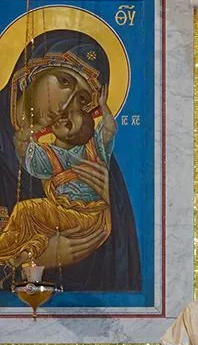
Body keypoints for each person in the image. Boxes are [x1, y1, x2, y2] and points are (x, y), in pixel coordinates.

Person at [0, 29, 139, 291]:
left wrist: (109, 198)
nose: (66, 105)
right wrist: (35, 258)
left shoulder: (90, 155)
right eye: (64, 81)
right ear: (31, 72)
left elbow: (121, 263)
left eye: (82, 99)